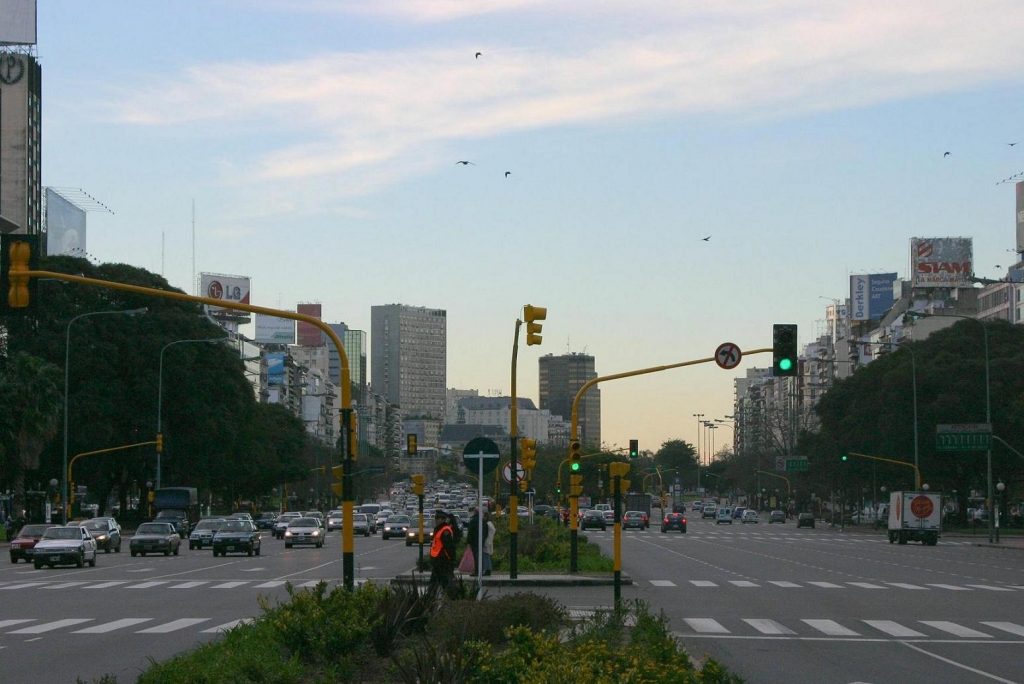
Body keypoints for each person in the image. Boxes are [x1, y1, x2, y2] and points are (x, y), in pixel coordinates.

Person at [429, 510, 457, 589]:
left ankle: (451, 597)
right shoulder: (438, 529)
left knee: (444, 581)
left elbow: (449, 546)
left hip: (443, 559)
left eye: (438, 518)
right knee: (435, 581)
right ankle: (431, 596)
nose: (436, 520)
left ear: (443, 519)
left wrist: (452, 559)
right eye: (436, 518)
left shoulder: (445, 530)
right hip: (437, 559)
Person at [466, 507, 489, 576]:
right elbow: (486, 531)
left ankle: (477, 571)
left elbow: (470, 532)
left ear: (475, 512)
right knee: (479, 556)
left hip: (474, 542)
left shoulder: (473, 521)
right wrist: (483, 539)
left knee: (476, 557)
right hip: (480, 541)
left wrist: (469, 542)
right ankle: (480, 570)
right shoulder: (483, 521)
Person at [482, 510, 496, 576]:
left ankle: (488, 569)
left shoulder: (487, 524)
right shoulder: (491, 524)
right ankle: (488, 569)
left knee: (486, 556)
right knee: (487, 555)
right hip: (490, 541)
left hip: (486, 541)